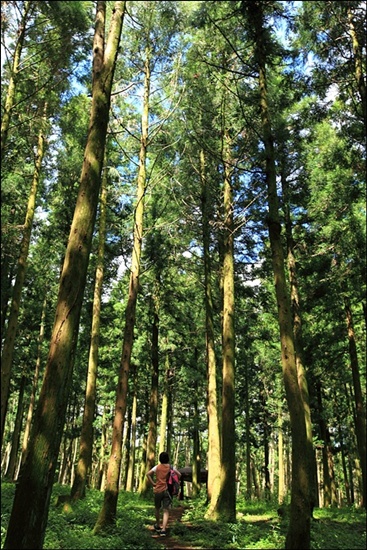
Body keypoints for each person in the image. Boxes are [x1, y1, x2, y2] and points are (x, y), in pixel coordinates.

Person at [146, 451, 181, 537]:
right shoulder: (171, 467)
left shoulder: (157, 467)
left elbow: (148, 474)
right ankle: (164, 529)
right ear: (168, 459)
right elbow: (179, 475)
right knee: (166, 510)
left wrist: (153, 483)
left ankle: (157, 525)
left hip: (158, 490)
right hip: (167, 491)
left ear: (160, 459)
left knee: (157, 508)